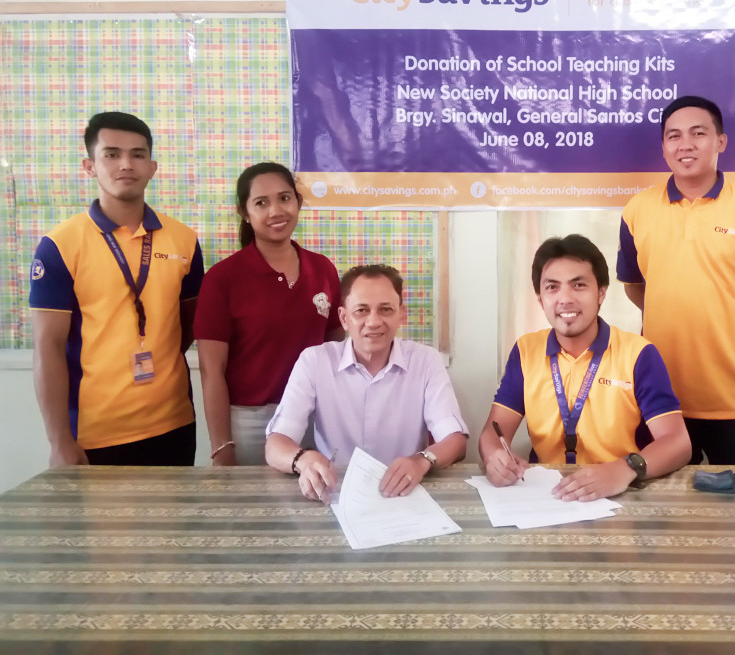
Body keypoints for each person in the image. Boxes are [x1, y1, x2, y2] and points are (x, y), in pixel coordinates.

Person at [617, 96, 735, 466]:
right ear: (664, 147)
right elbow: (635, 285)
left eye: (698, 133)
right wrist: (672, 311)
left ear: (720, 142)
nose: (685, 144)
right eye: (674, 136)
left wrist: (732, 328)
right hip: (660, 398)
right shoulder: (637, 211)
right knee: (661, 498)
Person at [29, 111, 204, 466]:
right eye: (111, 154)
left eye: (138, 154)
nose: (126, 164)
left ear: (152, 167)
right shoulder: (60, 245)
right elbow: (48, 348)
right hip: (95, 433)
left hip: (174, 424)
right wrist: (59, 441)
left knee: (174, 507)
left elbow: (187, 326)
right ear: (89, 166)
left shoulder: (184, 240)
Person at [480, 235, 691, 501]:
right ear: (540, 298)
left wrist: (624, 469)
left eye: (578, 285)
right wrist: (494, 457)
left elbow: (678, 443)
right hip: (549, 496)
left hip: (622, 492)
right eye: (552, 287)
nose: (565, 299)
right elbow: (494, 430)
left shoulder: (638, 354)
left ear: (601, 292)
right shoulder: (526, 350)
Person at [265, 264, 468, 500]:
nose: (373, 322)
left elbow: (455, 440)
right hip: (335, 493)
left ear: (400, 315)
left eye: (386, 310)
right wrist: (303, 459)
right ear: (344, 318)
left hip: (405, 494)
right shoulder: (315, 361)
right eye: (361, 310)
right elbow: (276, 444)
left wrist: (421, 461)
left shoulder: (426, 361)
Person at [194, 162, 344, 466]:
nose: (276, 211)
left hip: (314, 416)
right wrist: (222, 446)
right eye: (261, 203)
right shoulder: (222, 279)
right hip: (249, 424)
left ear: (298, 202)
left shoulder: (323, 269)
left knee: (316, 495)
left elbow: (335, 352)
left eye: (284, 198)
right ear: (244, 212)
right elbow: (212, 371)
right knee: (247, 498)